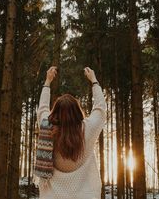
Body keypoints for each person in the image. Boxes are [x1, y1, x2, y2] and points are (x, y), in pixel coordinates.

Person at [35, 66, 107, 199]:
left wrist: (47, 82)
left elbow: (42, 108)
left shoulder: (47, 128)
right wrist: (94, 81)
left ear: (55, 112)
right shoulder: (88, 129)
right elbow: (100, 109)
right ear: (77, 111)